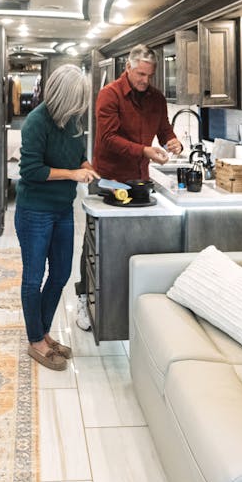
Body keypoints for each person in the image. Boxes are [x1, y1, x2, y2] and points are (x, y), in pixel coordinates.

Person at [75, 44, 182, 330]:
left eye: (149, 75)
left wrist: (173, 141)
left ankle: (125, 304)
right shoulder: (109, 95)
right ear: (127, 68)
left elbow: (164, 129)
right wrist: (144, 150)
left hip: (140, 180)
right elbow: (108, 138)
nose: (144, 80)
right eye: (140, 74)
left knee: (131, 243)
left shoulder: (156, 98)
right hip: (108, 179)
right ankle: (84, 298)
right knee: (95, 242)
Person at [16, 64, 99, 370]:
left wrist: (86, 165)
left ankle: (44, 332)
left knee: (61, 273)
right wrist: (72, 174)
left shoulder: (73, 121)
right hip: (34, 211)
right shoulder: (36, 122)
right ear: (64, 97)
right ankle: (36, 340)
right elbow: (31, 171)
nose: (81, 107)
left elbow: (77, 156)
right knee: (33, 278)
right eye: (77, 100)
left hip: (63, 208)